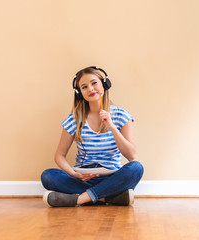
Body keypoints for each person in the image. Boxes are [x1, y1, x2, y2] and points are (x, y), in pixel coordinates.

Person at [41, 66, 144, 207]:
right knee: (48, 175)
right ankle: (108, 198)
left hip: (112, 178)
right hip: (83, 179)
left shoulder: (121, 116)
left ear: (104, 84)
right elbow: (59, 155)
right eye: (84, 87)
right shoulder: (74, 119)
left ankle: (79, 199)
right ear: (79, 93)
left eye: (94, 83)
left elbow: (131, 155)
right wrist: (74, 173)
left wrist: (112, 126)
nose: (90, 89)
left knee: (136, 168)